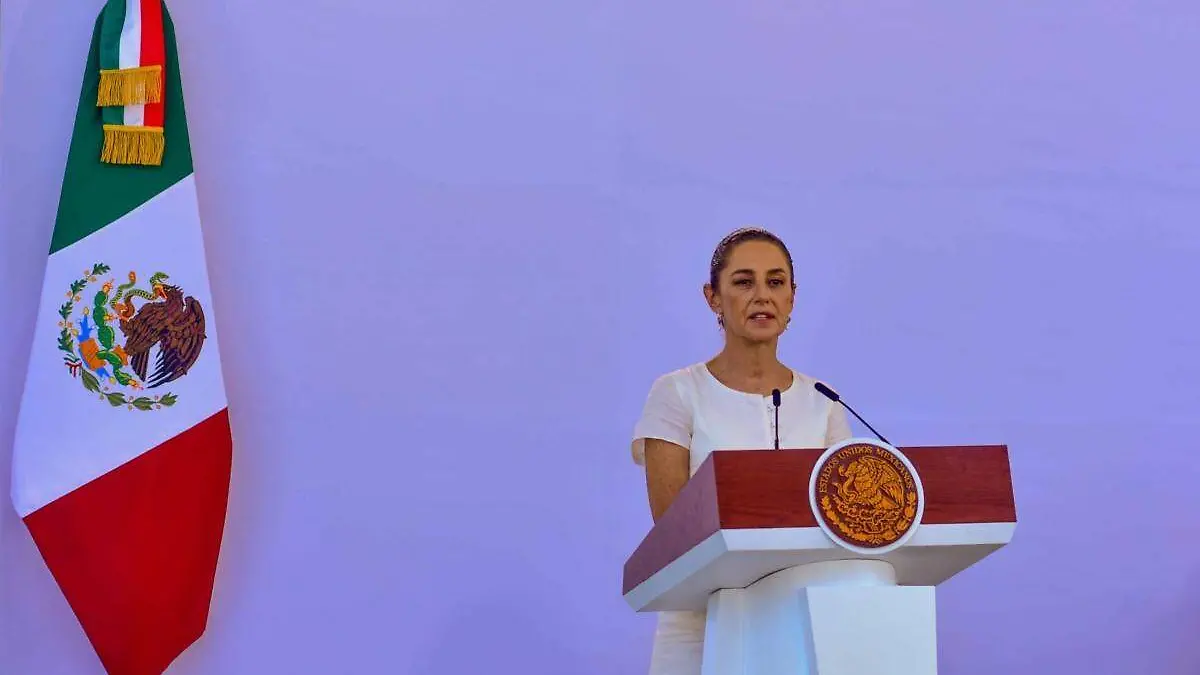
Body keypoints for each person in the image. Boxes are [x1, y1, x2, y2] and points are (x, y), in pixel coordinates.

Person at [629, 227, 853, 675]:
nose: (762, 296)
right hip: (703, 625)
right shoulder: (678, 393)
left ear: (792, 298)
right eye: (744, 282)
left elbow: (844, 523)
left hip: (799, 624)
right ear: (713, 298)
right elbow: (672, 529)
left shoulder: (823, 401)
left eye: (776, 282)